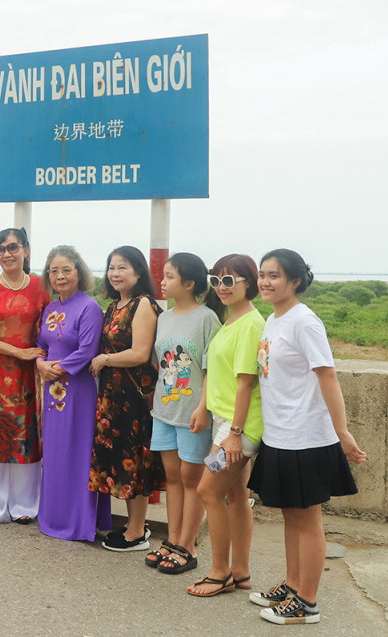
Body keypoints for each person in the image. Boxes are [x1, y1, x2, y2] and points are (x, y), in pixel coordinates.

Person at [248, 249, 366, 625]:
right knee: (290, 515)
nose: (265, 281)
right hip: (279, 434)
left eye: (274, 275)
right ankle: (293, 585)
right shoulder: (273, 319)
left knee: (307, 518)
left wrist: (342, 431)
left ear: (295, 281)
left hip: (306, 436)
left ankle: (307, 603)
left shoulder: (304, 321)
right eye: (262, 274)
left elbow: (327, 375)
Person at [189, 254, 266, 597]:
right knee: (236, 495)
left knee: (208, 491)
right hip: (225, 421)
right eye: (216, 280)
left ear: (250, 283)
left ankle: (219, 572)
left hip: (238, 427)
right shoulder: (230, 320)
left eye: (230, 280)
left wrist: (234, 435)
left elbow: (246, 383)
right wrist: (205, 408)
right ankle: (241, 572)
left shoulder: (250, 324)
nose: (221, 287)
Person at [147, 253, 222, 575]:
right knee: (173, 478)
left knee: (192, 479)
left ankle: (188, 547)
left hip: (193, 414)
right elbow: (160, 364)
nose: (162, 282)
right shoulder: (164, 317)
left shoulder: (206, 319)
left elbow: (213, 371)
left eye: (170, 276)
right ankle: (173, 539)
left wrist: (203, 409)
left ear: (189, 283)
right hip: (164, 410)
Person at [0, 227, 48, 524]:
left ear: (26, 250)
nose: (7, 254)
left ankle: (25, 506)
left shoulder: (40, 286)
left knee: (27, 435)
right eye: (0, 249)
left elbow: (49, 328)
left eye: (13, 247)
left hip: (30, 374)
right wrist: (19, 352)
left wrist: (38, 357)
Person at [90, 246, 164, 551]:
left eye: (123, 267)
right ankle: (134, 526)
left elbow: (140, 353)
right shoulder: (113, 306)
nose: (115, 273)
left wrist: (104, 360)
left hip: (133, 397)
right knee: (121, 461)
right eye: (111, 267)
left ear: (138, 272)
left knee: (134, 461)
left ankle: (137, 532)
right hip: (112, 397)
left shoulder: (143, 304)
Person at [35, 245, 110, 540]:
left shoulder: (89, 307)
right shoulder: (50, 308)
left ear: (79, 272)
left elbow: (87, 351)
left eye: (66, 270)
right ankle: (54, 516)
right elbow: (42, 344)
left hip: (78, 390)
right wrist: (40, 364)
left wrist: (55, 369)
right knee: (55, 452)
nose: (60, 276)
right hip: (52, 390)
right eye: (54, 271)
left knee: (77, 452)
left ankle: (79, 521)